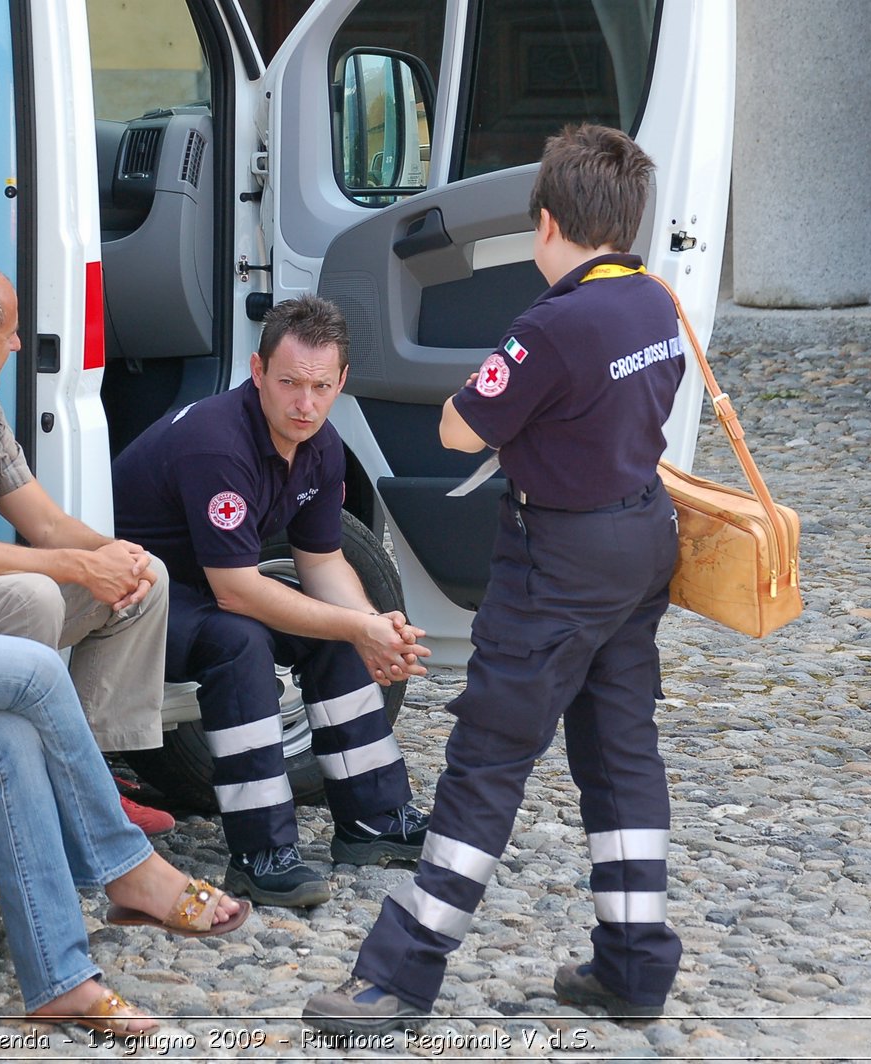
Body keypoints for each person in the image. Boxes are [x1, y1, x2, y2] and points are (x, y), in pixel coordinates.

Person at [302, 124, 686, 1033]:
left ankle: (399, 977)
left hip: (557, 561)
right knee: (621, 752)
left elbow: (457, 430)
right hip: (640, 544)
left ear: (547, 222)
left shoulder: (550, 325)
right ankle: (634, 966)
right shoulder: (654, 302)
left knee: (486, 760)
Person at [0, 281, 247, 1034]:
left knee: (11, 742)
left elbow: (40, 525)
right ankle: (126, 867)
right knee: (30, 670)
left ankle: (62, 980)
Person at [110, 295, 432, 909]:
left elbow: (322, 562)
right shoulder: (218, 443)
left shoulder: (323, 443)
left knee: (334, 630)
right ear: (257, 372)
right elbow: (236, 591)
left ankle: (376, 818)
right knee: (241, 639)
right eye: (288, 383)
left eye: (319, 386)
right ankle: (261, 853)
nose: (304, 403)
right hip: (138, 598)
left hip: (205, 588)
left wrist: (373, 627)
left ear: (342, 382)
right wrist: (357, 627)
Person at [0, 259, 175, 845]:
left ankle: (91, 778)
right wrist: (76, 566)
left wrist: (112, 554)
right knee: (33, 595)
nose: (20, 344)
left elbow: (46, 524)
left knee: (144, 578)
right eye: (10, 334)